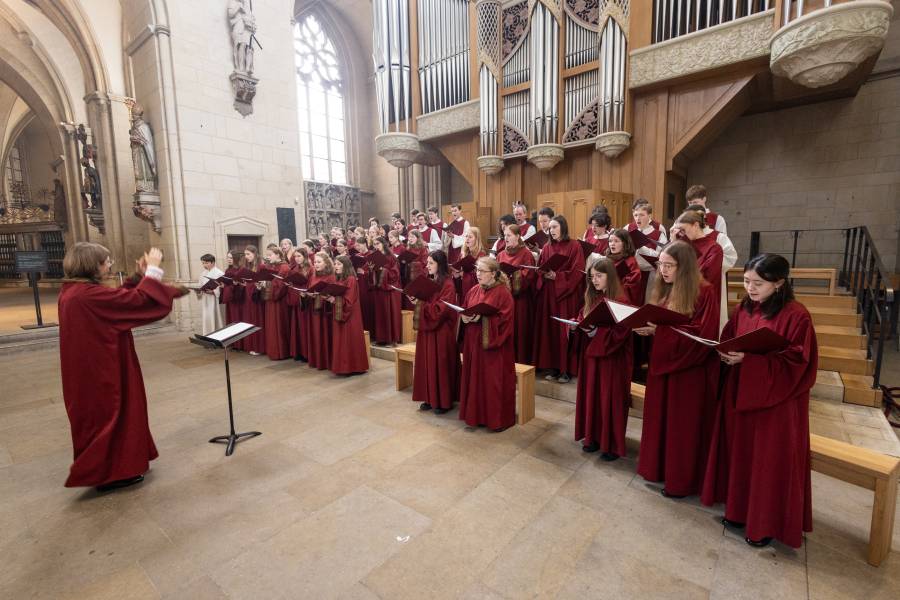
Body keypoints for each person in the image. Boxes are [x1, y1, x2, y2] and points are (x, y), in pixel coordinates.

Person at [702, 254, 816, 548]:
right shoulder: (744, 307)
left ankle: (764, 524)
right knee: (742, 454)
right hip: (742, 394)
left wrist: (750, 362)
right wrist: (724, 353)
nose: (750, 288)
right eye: (746, 281)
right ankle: (739, 511)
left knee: (767, 461)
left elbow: (796, 363)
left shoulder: (797, 316)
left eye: (758, 283)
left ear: (778, 283)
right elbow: (729, 337)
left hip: (775, 403)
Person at [58, 244, 178, 490]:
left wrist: (137, 277)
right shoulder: (86, 295)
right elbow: (139, 303)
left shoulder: (75, 291)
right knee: (114, 415)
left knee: (110, 416)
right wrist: (153, 271)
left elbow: (117, 301)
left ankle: (114, 469)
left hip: (95, 365)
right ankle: (111, 473)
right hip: (104, 369)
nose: (110, 265)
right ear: (92, 265)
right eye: (107, 261)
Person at [634, 241, 720, 499]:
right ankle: (659, 470)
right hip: (664, 367)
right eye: (660, 265)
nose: (663, 271)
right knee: (661, 421)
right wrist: (651, 328)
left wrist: (659, 331)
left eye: (669, 265)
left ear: (685, 267)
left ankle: (681, 480)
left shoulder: (705, 292)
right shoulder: (667, 290)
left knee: (682, 429)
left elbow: (701, 335)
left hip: (688, 373)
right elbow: (666, 324)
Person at [573, 258, 633, 459]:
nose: (595, 280)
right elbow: (583, 317)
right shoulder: (594, 297)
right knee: (593, 396)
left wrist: (594, 333)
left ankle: (611, 444)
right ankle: (593, 438)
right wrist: (576, 325)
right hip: (592, 357)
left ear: (610, 276)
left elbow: (622, 331)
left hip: (612, 359)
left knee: (609, 399)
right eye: (592, 277)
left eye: (599, 276)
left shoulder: (621, 300)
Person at [458, 257, 516, 431]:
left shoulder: (503, 293)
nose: (478, 274)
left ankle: (496, 419)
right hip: (474, 346)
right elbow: (464, 308)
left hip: (494, 349)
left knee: (493, 382)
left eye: (482, 271)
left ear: (494, 273)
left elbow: (505, 321)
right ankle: (476, 416)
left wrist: (483, 318)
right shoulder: (473, 290)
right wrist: (465, 317)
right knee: (475, 379)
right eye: (477, 270)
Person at [532, 215, 585, 383]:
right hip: (549, 295)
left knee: (564, 331)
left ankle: (566, 369)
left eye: (554, 227)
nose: (551, 230)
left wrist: (559, 277)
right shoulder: (547, 247)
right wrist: (543, 273)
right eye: (550, 228)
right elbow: (540, 268)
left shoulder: (575, 245)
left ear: (563, 227)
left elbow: (578, 271)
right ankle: (554, 367)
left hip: (566, 295)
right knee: (551, 331)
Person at [411, 251, 461, 414]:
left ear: (440, 264)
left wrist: (421, 305)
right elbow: (426, 301)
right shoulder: (429, 281)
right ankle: (429, 397)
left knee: (440, 364)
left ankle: (443, 401)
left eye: (431, 263)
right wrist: (417, 300)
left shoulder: (448, 284)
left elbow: (441, 310)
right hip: (427, 330)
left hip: (441, 331)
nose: (427, 265)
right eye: (427, 262)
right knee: (426, 362)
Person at [497, 224, 536, 364]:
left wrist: (512, 277)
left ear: (518, 236)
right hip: (503, 301)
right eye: (504, 235)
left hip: (520, 301)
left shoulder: (526, 254)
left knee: (519, 333)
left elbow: (529, 276)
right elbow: (496, 275)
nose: (505, 238)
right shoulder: (501, 254)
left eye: (509, 235)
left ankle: (521, 365)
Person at [327, 255, 369, 376]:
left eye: (339, 264)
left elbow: (350, 300)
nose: (336, 266)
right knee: (341, 340)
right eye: (335, 264)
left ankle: (352, 367)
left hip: (350, 315)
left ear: (346, 266)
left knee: (349, 339)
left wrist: (334, 300)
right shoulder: (338, 278)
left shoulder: (351, 279)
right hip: (340, 311)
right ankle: (342, 366)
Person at [628, 200, 668, 302]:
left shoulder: (658, 234)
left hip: (651, 274)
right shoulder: (628, 230)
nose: (638, 218)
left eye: (642, 215)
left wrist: (641, 248)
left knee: (648, 302)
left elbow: (661, 256)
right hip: (632, 272)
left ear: (649, 216)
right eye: (635, 215)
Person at [304, 251, 336, 369]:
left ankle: (326, 361)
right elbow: (310, 289)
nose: (315, 264)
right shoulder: (313, 276)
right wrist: (307, 295)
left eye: (318, 262)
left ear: (326, 263)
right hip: (314, 311)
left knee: (324, 335)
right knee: (315, 335)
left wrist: (320, 296)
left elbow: (333, 294)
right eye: (314, 262)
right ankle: (317, 360)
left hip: (325, 313)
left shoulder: (331, 277)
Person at [370, 236, 402, 346]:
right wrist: (372, 269)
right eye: (374, 244)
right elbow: (372, 272)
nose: (376, 246)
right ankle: (381, 339)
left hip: (389, 290)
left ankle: (391, 339)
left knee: (389, 314)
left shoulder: (391, 257)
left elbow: (395, 274)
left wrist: (382, 270)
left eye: (378, 244)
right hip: (379, 289)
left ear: (383, 244)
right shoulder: (374, 257)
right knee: (381, 314)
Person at [261, 246, 291, 360]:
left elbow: (281, 286)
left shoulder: (284, 267)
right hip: (271, 300)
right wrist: (262, 283)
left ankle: (281, 352)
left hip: (279, 302)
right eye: (267, 255)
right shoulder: (272, 266)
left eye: (270, 255)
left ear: (278, 255)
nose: (268, 257)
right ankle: (273, 350)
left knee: (279, 325)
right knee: (272, 326)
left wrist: (267, 284)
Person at [239, 245, 266, 355]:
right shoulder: (248, 266)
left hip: (257, 297)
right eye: (245, 254)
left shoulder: (261, 266)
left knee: (257, 320)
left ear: (255, 254)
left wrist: (257, 284)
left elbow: (264, 282)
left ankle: (259, 347)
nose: (246, 257)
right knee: (250, 320)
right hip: (248, 296)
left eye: (248, 254)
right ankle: (252, 345)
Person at [286, 247, 312, 362]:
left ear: (305, 257)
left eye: (299, 256)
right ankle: (299, 352)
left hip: (305, 302)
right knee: (297, 328)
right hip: (296, 299)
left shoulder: (310, 269)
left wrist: (305, 293)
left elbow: (312, 284)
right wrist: (290, 285)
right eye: (295, 256)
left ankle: (307, 353)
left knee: (304, 328)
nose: (296, 259)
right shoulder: (294, 269)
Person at [604, 230, 643, 306]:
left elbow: (633, 285)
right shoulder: (607, 259)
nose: (612, 244)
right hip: (606, 296)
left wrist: (615, 283)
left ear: (625, 244)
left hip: (620, 300)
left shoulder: (630, 261)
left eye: (616, 241)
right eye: (610, 241)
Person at [453, 226, 486, 303]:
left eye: (470, 237)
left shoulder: (481, 255)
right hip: (462, 289)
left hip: (474, 291)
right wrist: (456, 275)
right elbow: (457, 269)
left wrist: (463, 274)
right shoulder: (462, 254)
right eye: (466, 236)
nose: (467, 239)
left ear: (476, 239)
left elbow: (481, 276)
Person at [196, 253, 224, 335]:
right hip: (206, 299)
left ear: (212, 262)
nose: (204, 265)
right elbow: (200, 285)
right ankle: (208, 336)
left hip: (215, 300)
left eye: (206, 263)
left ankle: (218, 336)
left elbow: (223, 287)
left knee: (216, 317)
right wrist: (198, 291)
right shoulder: (202, 274)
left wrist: (213, 291)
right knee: (207, 318)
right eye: (203, 263)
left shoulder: (219, 273)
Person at [220, 250, 244, 327]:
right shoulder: (227, 270)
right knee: (231, 320)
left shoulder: (241, 269)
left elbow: (243, 285)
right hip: (230, 299)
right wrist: (223, 286)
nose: (229, 259)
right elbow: (227, 283)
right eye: (228, 257)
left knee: (237, 319)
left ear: (236, 258)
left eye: (231, 258)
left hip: (238, 299)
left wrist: (235, 284)